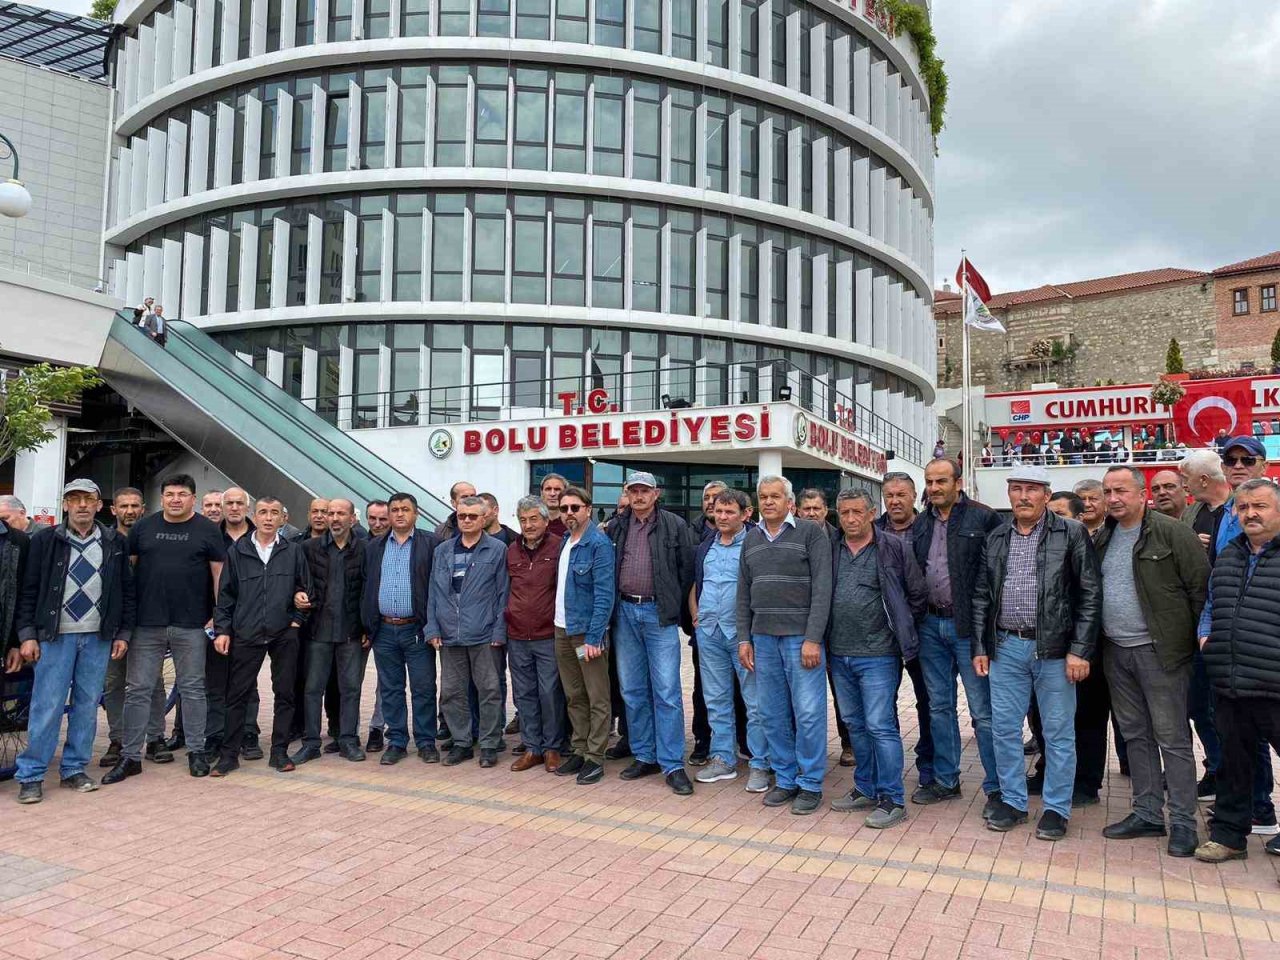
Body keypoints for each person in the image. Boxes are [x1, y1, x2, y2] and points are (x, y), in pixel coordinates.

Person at [972, 464, 1101, 841]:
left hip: (1056, 651)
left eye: (1032, 489)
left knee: (1059, 732)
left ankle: (1056, 809)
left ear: (1046, 495)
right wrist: (982, 646)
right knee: (1005, 729)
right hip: (1006, 647)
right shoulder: (996, 536)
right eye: (1017, 489)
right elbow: (982, 595)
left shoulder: (1072, 533)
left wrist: (1080, 650)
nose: (1023, 496)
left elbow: (1090, 594)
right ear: (1009, 494)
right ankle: (1013, 801)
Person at [1094, 466, 1208, 857]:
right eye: (1108, 491)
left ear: (1141, 494)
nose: (1113, 499)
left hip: (1161, 653)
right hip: (1116, 651)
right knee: (1134, 735)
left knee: (1172, 738)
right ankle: (1146, 813)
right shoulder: (1103, 537)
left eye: (1121, 491)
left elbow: (1199, 590)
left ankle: (1182, 822)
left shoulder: (1173, 533)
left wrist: (1187, 648)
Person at [11, 480, 129, 804]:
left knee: (87, 706)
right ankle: (32, 774)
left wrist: (123, 633)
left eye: (88, 500)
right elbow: (28, 590)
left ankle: (74, 769)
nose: (81, 506)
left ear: (99, 505)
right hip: (55, 636)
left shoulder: (114, 542)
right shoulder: (46, 540)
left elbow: (125, 591)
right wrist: (27, 635)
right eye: (74, 499)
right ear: (65, 505)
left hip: (97, 637)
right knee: (46, 705)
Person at [104, 473, 224, 784]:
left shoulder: (208, 530)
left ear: (192, 498)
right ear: (161, 498)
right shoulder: (143, 528)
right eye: (169, 494)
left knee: (194, 689)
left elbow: (219, 577)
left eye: (181, 494)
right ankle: (131, 756)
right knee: (138, 690)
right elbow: (128, 574)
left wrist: (217, 617)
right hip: (146, 624)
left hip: (192, 625)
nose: (175, 499)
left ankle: (196, 751)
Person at [1194, 437, 1279, 835]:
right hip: (1229, 673)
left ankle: (1262, 813)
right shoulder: (1231, 552)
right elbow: (1214, 599)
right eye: (1243, 507)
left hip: (1272, 676)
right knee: (1235, 757)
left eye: (1260, 506)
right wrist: (1206, 635)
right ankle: (1232, 832)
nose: (1250, 514)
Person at [909, 459, 1004, 816]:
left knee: (983, 711)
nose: (934, 488)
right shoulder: (922, 522)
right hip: (930, 627)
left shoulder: (984, 518)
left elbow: (997, 574)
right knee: (939, 707)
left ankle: (997, 786)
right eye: (930, 482)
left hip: (969, 629)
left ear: (958, 482)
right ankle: (946, 781)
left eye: (941, 481)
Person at [826, 490, 925, 828]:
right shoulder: (832, 549)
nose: (850, 519)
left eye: (857, 512)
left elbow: (916, 593)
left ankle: (892, 798)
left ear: (871, 514)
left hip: (880, 655)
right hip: (839, 654)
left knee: (880, 725)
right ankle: (865, 787)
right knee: (855, 725)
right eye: (844, 513)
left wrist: (899, 630)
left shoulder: (892, 547)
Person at [736, 475, 833, 815]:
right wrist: (744, 638)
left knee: (807, 713)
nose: (769, 502)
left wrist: (813, 638)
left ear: (789, 502)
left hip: (800, 640)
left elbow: (823, 589)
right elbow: (743, 592)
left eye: (775, 496)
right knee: (772, 713)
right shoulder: (751, 539)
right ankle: (786, 778)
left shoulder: (809, 533)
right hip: (763, 639)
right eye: (763, 496)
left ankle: (809, 783)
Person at [607, 472, 696, 795]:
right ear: (627, 494)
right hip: (625, 614)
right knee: (632, 689)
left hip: (658, 616)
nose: (639, 496)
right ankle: (645, 755)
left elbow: (687, 571)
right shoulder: (617, 526)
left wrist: (678, 611)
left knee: (667, 692)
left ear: (656, 494)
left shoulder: (674, 526)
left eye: (645, 491)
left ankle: (672, 763)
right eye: (634, 491)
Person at [210, 497, 311, 776]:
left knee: (285, 693)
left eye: (274, 513)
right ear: (254, 515)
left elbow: (306, 588)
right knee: (237, 695)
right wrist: (223, 630)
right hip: (246, 632)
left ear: (283, 519)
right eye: (263, 512)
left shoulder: (293, 551)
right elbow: (226, 595)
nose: (268, 518)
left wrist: (296, 621)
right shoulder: (238, 550)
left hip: (283, 633)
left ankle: (279, 752)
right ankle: (229, 755)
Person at [689, 489, 766, 788]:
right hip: (709, 632)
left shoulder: (756, 544)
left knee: (755, 701)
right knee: (716, 699)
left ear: (746, 514)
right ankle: (722, 758)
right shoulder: (706, 545)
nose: (722, 517)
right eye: (718, 511)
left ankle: (761, 762)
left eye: (729, 512)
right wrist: (696, 614)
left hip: (743, 635)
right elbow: (698, 582)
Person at [426, 496, 510, 768]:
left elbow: (503, 594)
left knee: (489, 690)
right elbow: (433, 593)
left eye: (473, 516)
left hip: (484, 634)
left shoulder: (497, 549)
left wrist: (499, 630)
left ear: (484, 518)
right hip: (450, 634)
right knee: (452, 691)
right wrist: (432, 627)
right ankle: (462, 742)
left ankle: (488, 744)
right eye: (462, 516)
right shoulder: (443, 551)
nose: (467, 520)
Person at [361, 493, 440, 765]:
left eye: (405, 509)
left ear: (416, 514)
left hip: (416, 629)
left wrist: (433, 626)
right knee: (391, 689)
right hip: (383, 630)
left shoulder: (431, 543)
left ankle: (426, 741)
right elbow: (365, 587)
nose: (399, 514)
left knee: (423, 688)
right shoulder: (374, 547)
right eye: (395, 510)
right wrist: (367, 625)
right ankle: (396, 741)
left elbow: (438, 587)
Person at [872, 472, 936, 792]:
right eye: (889, 495)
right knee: (883, 702)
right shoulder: (874, 530)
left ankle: (928, 761)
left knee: (928, 699)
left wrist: (910, 619)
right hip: (880, 635)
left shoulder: (929, 527)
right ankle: (887, 765)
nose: (895, 501)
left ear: (914, 496)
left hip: (921, 629)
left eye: (901, 494)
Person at [292, 499, 368, 764]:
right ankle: (311, 743)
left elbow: (369, 591)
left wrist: (368, 626)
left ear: (352, 519)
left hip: (351, 633)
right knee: (312, 689)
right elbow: (297, 582)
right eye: (330, 513)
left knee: (351, 689)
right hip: (317, 632)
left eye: (340, 513)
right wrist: (298, 595)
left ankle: (348, 740)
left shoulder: (365, 549)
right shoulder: (307, 548)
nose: (334, 518)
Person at [1178, 448, 1232, 801]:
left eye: (1185, 479)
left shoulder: (1237, 513)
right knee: (1199, 708)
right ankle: (1216, 770)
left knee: (1229, 715)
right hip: (1197, 625)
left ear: (1202, 479)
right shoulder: (1192, 513)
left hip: (1229, 629)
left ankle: (1237, 785)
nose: (1183, 485)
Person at [553, 486, 616, 785]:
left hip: (584, 636)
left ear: (588, 509)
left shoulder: (598, 544)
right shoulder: (566, 541)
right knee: (574, 694)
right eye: (564, 509)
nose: (569, 514)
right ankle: (578, 748)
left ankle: (595, 756)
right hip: (562, 631)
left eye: (575, 508)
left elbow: (604, 594)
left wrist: (594, 637)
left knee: (597, 696)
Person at [99, 487, 166, 769]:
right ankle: (118, 738)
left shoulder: (153, 539)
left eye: (134, 505)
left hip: (147, 620)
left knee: (153, 681)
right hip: (111, 622)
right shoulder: (104, 540)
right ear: (113, 510)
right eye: (123, 506)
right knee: (113, 681)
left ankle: (155, 737)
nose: (129, 511)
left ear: (143, 508)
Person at [504, 496, 565, 772]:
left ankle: (552, 747)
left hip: (548, 635)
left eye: (533, 519)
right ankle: (533, 748)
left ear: (546, 520)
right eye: (523, 520)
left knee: (550, 693)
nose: (528, 525)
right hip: (517, 636)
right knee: (524, 694)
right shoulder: (511, 550)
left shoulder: (559, 547)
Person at [205, 486, 264, 760]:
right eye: (229, 503)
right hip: (215, 621)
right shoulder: (209, 537)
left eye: (239, 503)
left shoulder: (260, 539)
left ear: (247, 508)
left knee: (247, 683)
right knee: (216, 682)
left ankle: (248, 733)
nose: (234, 508)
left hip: (249, 623)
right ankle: (216, 734)